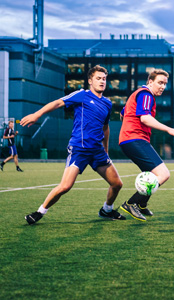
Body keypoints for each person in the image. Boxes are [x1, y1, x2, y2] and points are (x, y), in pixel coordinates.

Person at [21, 65, 125, 224]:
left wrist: (105, 150)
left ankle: (106, 210)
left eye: (104, 79)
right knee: (65, 186)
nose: (102, 81)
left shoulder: (107, 103)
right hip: (79, 149)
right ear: (90, 81)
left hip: (98, 151)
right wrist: (37, 114)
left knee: (117, 184)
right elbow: (57, 103)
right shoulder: (82, 95)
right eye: (98, 78)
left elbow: (105, 127)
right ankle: (39, 212)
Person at [119, 69, 174, 221]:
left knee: (153, 175)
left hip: (129, 139)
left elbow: (123, 113)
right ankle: (131, 203)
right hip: (134, 139)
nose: (163, 87)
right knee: (163, 174)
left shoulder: (139, 94)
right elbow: (145, 119)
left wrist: (128, 126)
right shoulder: (146, 94)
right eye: (160, 83)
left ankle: (142, 204)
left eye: (165, 84)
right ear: (150, 82)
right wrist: (169, 129)